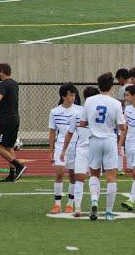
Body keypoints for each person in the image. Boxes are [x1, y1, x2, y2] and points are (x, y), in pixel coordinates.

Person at [80, 72, 126, 221]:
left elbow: (82, 123)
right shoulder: (116, 103)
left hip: (94, 141)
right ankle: (108, 211)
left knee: (94, 174)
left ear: (98, 85)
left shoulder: (90, 101)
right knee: (111, 177)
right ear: (111, 86)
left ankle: (94, 200)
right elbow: (122, 126)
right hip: (110, 141)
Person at [61, 86, 100, 217]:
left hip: (82, 149)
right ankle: (94, 200)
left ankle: (77, 208)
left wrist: (63, 151)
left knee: (79, 179)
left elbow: (69, 133)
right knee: (94, 176)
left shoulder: (77, 113)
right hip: (96, 148)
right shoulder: (100, 114)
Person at [0, 63, 27, 182]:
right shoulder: (13, 83)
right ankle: (12, 174)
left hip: (7, 121)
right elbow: (1, 94)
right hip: (14, 119)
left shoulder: (4, 84)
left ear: (1, 72)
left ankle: (19, 166)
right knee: (9, 147)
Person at [48, 83, 80, 215]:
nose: (73, 97)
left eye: (74, 95)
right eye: (71, 95)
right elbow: (52, 131)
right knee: (60, 172)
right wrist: (51, 150)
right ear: (63, 96)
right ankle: (57, 204)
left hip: (76, 146)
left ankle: (70, 204)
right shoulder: (54, 111)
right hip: (60, 146)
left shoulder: (80, 110)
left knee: (73, 175)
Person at [115, 68, 132, 175]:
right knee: (131, 142)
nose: (118, 82)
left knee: (120, 141)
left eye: (118, 79)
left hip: (124, 116)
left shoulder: (123, 89)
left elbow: (119, 104)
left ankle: (120, 167)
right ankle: (131, 166)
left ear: (121, 78)